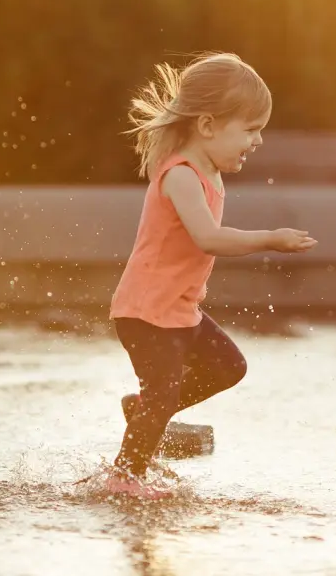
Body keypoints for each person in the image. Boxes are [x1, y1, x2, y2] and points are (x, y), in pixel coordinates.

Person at [106, 52, 318, 499]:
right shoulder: (181, 176)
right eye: (249, 129)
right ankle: (124, 478)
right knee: (163, 394)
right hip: (147, 312)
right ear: (206, 126)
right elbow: (208, 237)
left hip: (179, 309)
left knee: (228, 367)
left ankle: (144, 411)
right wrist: (268, 239)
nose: (257, 140)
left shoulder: (210, 172)